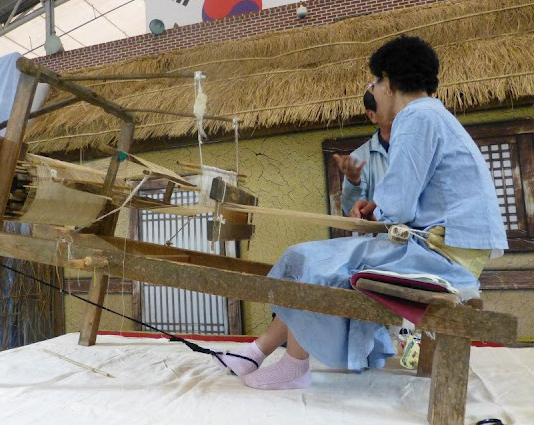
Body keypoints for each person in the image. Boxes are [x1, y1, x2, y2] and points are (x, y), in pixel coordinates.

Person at [213, 35, 507, 390]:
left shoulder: (415, 117)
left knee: (306, 258)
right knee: (317, 259)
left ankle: (293, 366)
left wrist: (378, 209)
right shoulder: (433, 115)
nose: (376, 90)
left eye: (375, 82)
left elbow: (397, 206)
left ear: (388, 81)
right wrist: (377, 207)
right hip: (449, 247)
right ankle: (257, 353)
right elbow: (405, 202)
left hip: (439, 254)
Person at [333, 91, 391, 216]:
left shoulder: (418, 147)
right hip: (381, 235)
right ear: (372, 115)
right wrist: (354, 182)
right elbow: (351, 210)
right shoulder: (359, 157)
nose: (397, 111)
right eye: (389, 106)